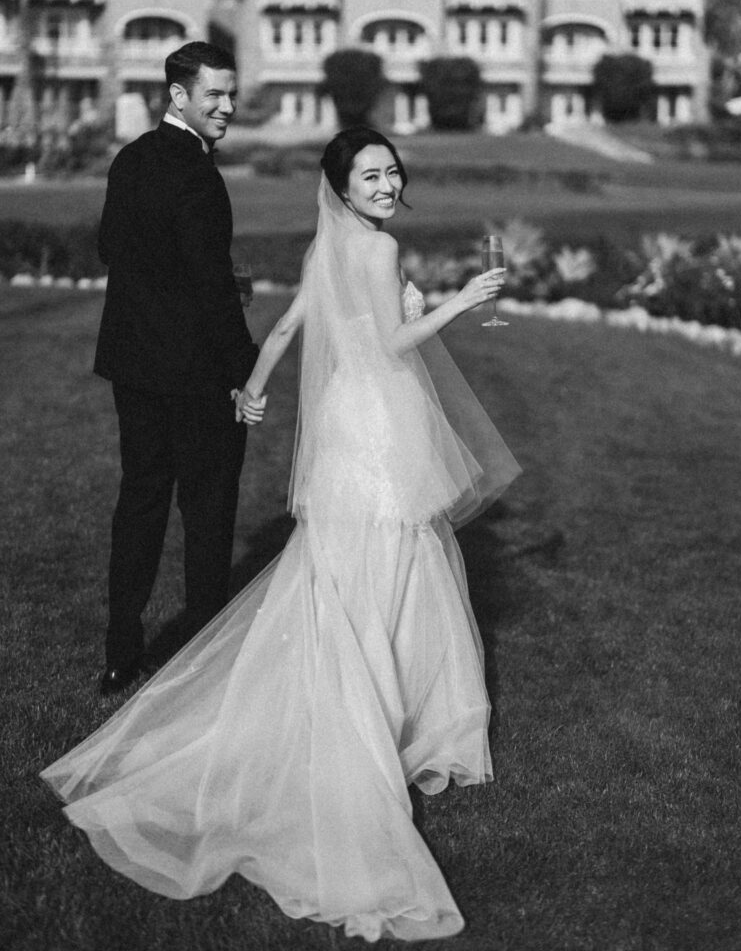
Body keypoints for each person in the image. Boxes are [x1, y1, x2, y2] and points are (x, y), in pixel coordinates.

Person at [42, 128, 521, 942]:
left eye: (392, 171)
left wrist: (255, 385)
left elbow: (297, 319)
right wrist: (460, 301)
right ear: (341, 184)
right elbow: (389, 342)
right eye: (370, 174)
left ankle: (361, 696)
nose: (385, 182)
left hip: (341, 426)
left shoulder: (332, 243)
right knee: (397, 556)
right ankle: (383, 715)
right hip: (376, 424)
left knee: (343, 565)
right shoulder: (376, 248)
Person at [92, 41, 261, 696]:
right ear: (180, 95)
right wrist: (247, 368)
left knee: (140, 501)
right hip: (193, 371)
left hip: (134, 363)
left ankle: (119, 655)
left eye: (231, 93)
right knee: (208, 512)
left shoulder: (130, 159)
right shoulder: (198, 174)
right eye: (214, 93)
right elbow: (210, 288)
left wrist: (185, 280)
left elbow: (113, 246)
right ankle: (203, 661)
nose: (227, 105)